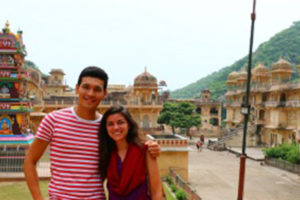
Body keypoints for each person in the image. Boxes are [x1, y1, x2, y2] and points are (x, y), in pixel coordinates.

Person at [24, 66, 160, 200]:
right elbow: (30, 161)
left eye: (97, 89)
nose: (90, 93)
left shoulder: (106, 127)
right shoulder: (53, 120)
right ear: (77, 89)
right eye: (86, 87)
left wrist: (151, 146)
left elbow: (125, 149)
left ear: (104, 93)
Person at [99, 105, 162, 200]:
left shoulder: (145, 150)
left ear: (129, 124)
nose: (116, 127)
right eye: (110, 124)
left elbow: (156, 191)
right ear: (106, 128)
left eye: (120, 122)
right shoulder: (107, 153)